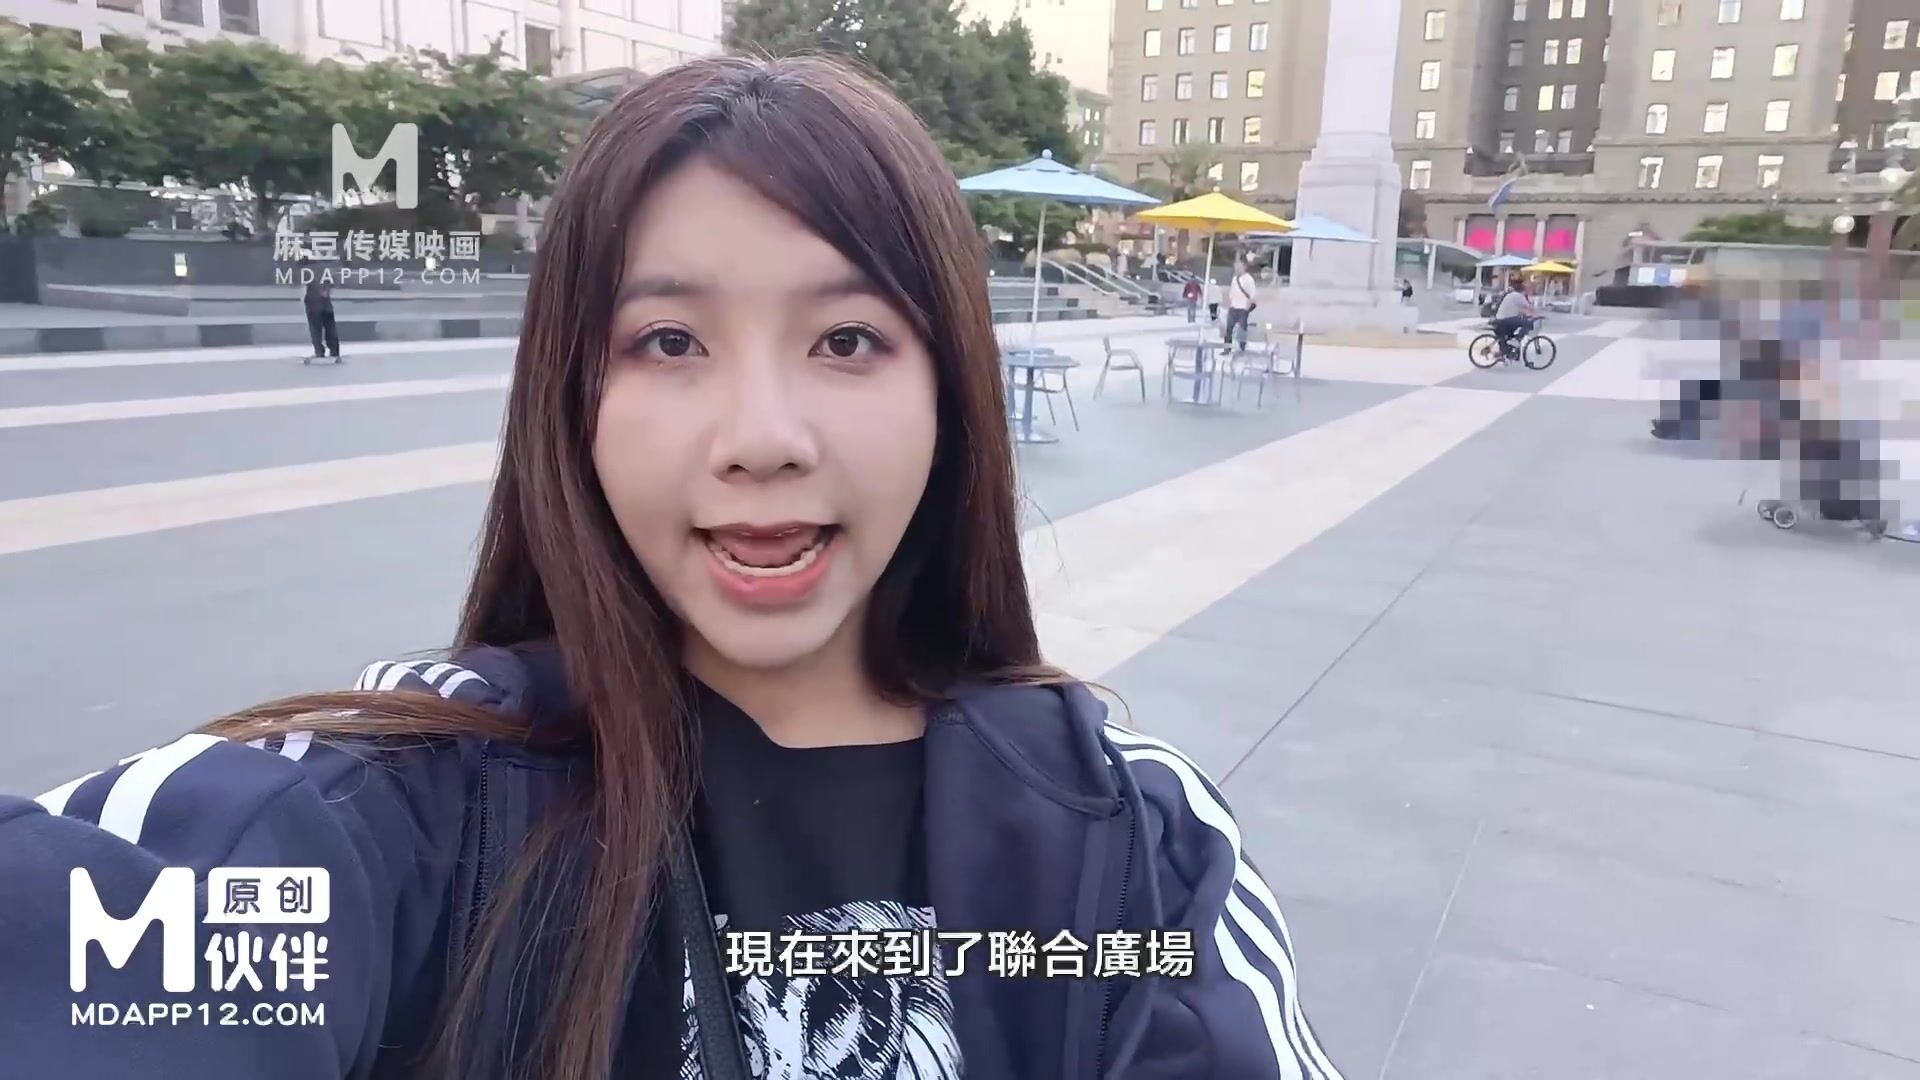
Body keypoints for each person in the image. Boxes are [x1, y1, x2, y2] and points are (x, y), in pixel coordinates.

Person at [0, 57, 1342, 1080]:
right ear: (573, 399)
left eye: (848, 341)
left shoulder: (1128, 839)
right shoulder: (411, 804)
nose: (762, 438)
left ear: (950, 395)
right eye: (670, 343)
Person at [1489, 273, 1536, 354]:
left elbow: (1520, 309)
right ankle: (1516, 340)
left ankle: (1506, 353)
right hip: (1506, 320)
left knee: (1508, 337)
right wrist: (1537, 315)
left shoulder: (1511, 295)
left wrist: (1525, 313)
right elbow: (1529, 308)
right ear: (1523, 290)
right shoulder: (1519, 296)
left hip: (1500, 319)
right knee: (1528, 323)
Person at [302, 268, 341, 361]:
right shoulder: (325, 269)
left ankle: (320, 351)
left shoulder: (309, 270)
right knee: (329, 328)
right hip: (323, 305)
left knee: (316, 329)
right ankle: (333, 350)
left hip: (314, 304)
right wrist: (326, 291)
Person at [1224, 259, 1258, 349]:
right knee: (1229, 329)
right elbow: (1231, 293)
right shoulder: (1234, 279)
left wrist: (1247, 307)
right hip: (1233, 307)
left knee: (1242, 329)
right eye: (1235, 267)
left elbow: (1252, 295)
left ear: (1244, 267)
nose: (1237, 269)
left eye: (1238, 267)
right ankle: (1227, 348)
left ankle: (1242, 346)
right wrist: (1230, 304)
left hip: (1243, 308)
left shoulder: (1249, 279)